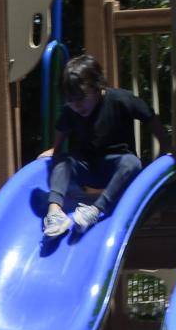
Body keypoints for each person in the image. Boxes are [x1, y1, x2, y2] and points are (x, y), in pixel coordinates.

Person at [42, 53, 166, 239]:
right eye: (71, 100)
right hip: (88, 167)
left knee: (132, 162)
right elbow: (62, 129)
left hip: (116, 168)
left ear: (98, 85)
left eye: (81, 98)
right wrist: (55, 148)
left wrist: (166, 145)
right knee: (62, 162)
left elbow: (149, 116)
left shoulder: (120, 100)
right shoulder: (71, 110)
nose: (76, 105)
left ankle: (95, 210)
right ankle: (54, 212)